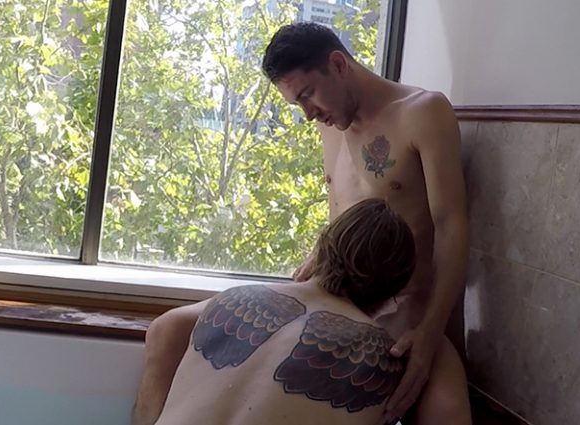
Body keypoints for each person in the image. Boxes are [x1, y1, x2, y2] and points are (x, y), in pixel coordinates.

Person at [133, 22, 471, 425]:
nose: (309, 114)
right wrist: (313, 264)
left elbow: (452, 228)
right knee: (168, 330)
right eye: (298, 104)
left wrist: (430, 334)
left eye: (308, 94)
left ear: (338, 64)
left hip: (402, 306)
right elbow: (343, 213)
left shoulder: (422, 112)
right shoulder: (332, 124)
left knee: (447, 409)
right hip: (328, 288)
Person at [144, 198, 414, 425]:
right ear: (392, 290)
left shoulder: (231, 300)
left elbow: (164, 327)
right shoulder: (382, 359)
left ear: (320, 249)